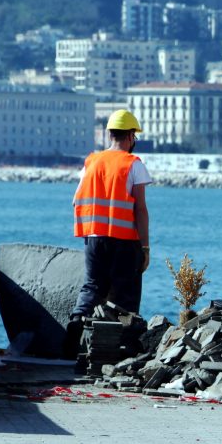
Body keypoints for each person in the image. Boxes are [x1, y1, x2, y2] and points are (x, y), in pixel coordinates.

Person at [64, 109, 152, 357]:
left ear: (109, 134)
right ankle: (123, 350)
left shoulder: (92, 161)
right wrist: (145, 247)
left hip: (93, 237)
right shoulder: (133, 164)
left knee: (92, 287)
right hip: (125, 241)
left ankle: (76, 324)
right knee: (125, 294)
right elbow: (140, 210)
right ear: (131, 136)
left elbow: (75, 201)